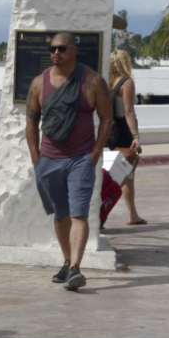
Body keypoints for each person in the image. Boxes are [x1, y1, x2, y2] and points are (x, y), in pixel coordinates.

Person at [25, 32, 112, 291]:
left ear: (74, 50)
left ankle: (76, 268)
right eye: (52, 48)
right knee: (60, 215)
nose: (56, 53)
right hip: (48, 160)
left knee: (79, 214)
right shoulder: (39, 84)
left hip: (80, 160)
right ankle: (66, 262)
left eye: (62, 48)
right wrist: (36, 159)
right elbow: (31, 121)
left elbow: (106, 119)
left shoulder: (93, 82)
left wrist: (95, 154)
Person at [107, 49, 146, 226]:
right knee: (126, 176)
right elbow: (129, 111)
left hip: (111, 132)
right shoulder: (126, 82)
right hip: (124, 132)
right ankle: (129, 214)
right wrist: (135, 135)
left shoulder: (108, 83)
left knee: (122, 174)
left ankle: (133, 213)